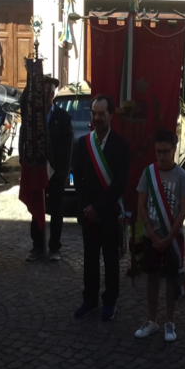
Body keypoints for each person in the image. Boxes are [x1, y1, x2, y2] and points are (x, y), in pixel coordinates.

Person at [73, 94, 130, 321]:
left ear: (111, 116)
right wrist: (88, 207)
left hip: (109, 213)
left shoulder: (121, 145)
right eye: (93, 113)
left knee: (110, 259)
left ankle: (110, 301)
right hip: (89, 213)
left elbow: (120, 183)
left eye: (101, 114)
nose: (96, 118)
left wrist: (98, 207)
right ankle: (90, 300)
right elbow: (77, 177)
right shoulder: (83, 143)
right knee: (90, 259)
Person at [134, 129, 185, 342]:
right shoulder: (148, 173)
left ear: (174, 150)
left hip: (173, 237)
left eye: (165, 151)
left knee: (170, 279)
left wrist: (169, 238)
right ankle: (152, 320)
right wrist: (150, 232)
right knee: (151, 277)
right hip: (152, 236)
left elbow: (183, 211)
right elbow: (141, 204)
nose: (161, 155)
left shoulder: (182, 176)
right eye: (158, 151)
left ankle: (169, 321)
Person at [22, 76, 74, 262]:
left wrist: (62, 172)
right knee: (37, 206)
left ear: (52, 94)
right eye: (40, 91)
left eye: (46, 91)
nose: (42, 95)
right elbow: (23, 139)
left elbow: (67, 147)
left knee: (56, 210)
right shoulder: (31, 116)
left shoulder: (63, 117)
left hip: (56, 172)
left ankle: (54, 247)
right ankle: (37, 246)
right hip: (37, 170)